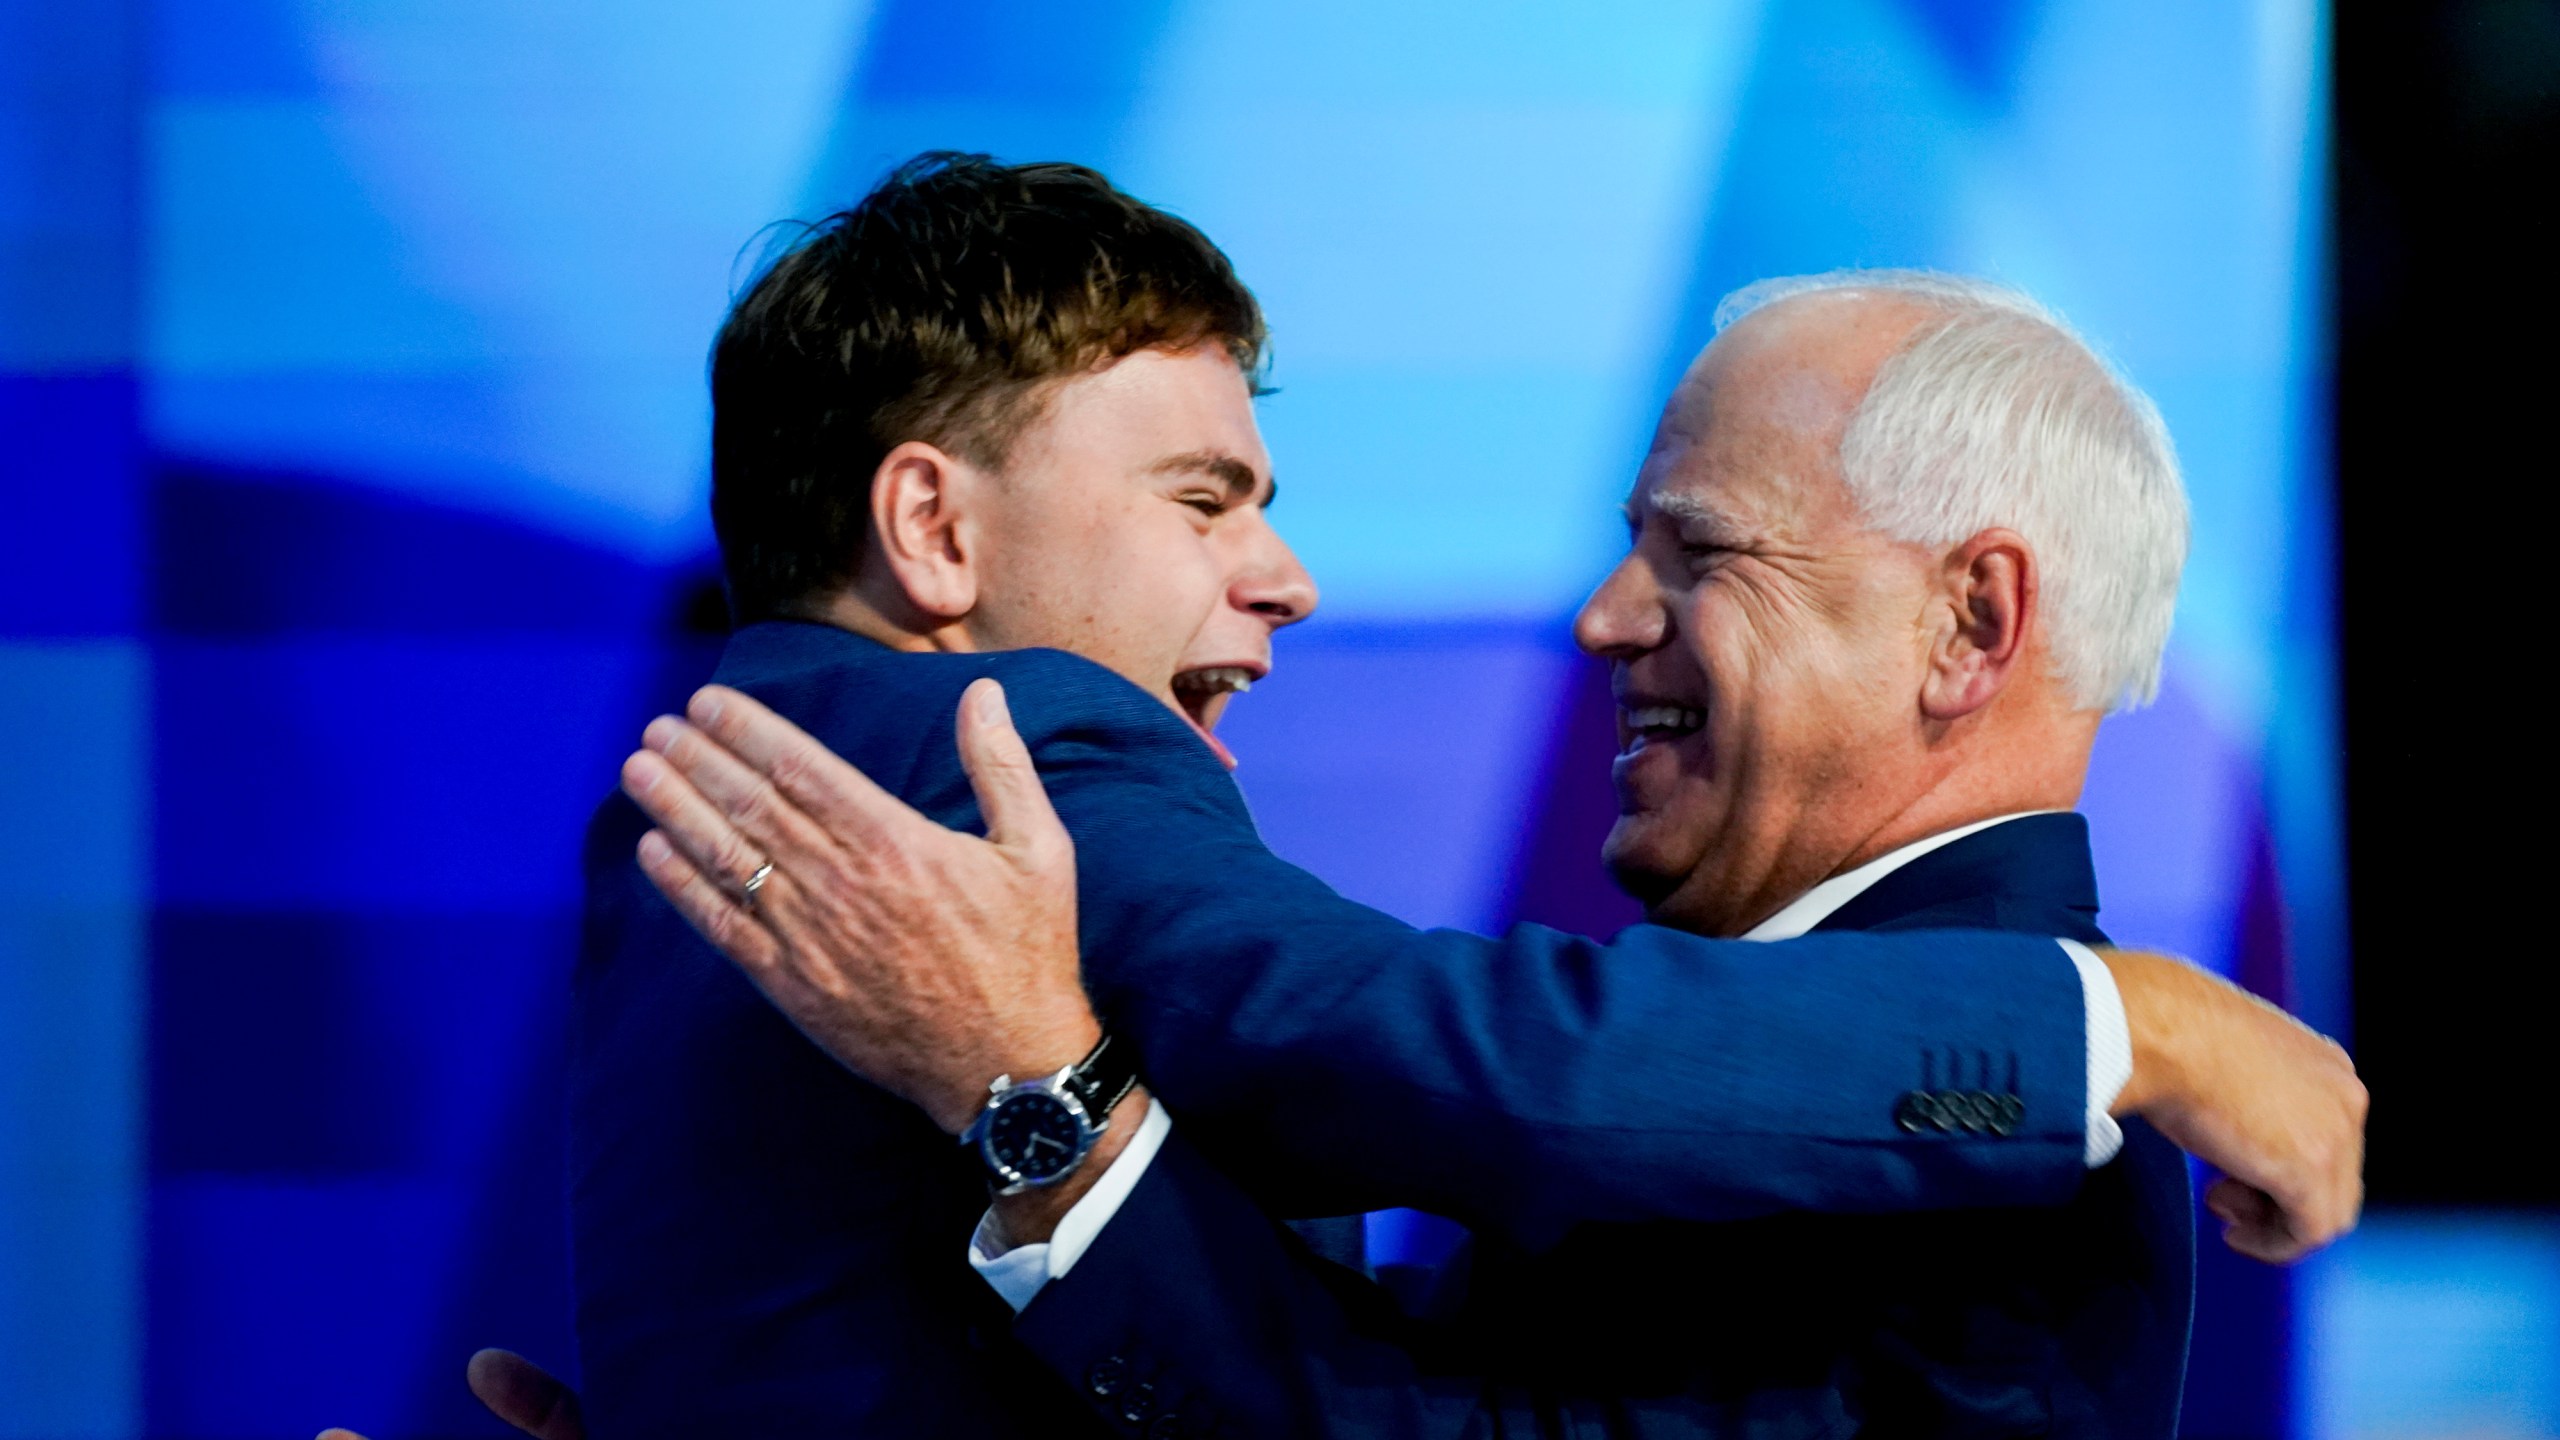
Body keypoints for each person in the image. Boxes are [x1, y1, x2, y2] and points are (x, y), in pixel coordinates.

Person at [572, 154, 2362, 1438]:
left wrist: (1045, 1115)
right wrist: (2130, 1025)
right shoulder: (993, 749)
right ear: (933, 529)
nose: (1599, 619)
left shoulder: (1998, 1160)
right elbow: (1417, 1049)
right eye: (1204, 500)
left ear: (1969, 622)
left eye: (1698, 551)